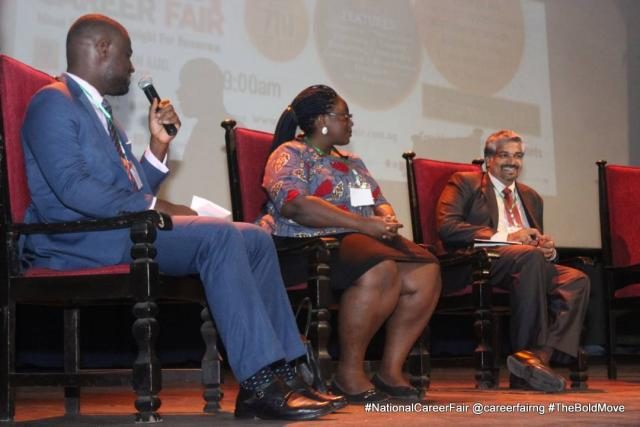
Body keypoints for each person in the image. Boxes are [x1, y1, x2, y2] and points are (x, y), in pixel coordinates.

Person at [20, 14, 340, 420]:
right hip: (77, 240)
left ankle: (288, 370)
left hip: (117, 228)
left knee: (253, 238)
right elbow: (73, 189)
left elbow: (132, 189)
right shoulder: (53, 101)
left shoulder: (100, 113)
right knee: (219, 237)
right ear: (102, 49)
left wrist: (158, 146)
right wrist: (154, 208)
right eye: (128, 55)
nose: (132, 67)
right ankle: (259, 381)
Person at [260, 85, 442, 403]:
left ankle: (389, 370)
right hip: (306, 244)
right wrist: (362, 224)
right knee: (380, 269)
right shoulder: (289, 154)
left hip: (361, 238)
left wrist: (385, 219)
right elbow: (296, 205)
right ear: (321, 120)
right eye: (345, 115)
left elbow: (378, 200)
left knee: (426, 270)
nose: (351, 122)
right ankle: (349, 373)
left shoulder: (352, 161)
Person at [436, 129, 590, 392]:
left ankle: (536, 359)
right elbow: (447, 227)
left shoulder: (531, 196)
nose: (513, 162)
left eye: (518, 156)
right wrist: (509, 236)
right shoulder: (464, 183)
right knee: (528, 258)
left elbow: (533, 242)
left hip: (525, 263)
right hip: (480, 262)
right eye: (505, 155)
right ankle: (527, 358)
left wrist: (547, 250)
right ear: (489, 160)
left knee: (577, 279)